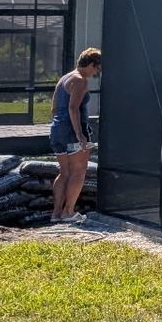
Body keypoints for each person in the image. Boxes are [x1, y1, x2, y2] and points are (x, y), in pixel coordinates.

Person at [50, 48, 102, 221]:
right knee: (79, 171)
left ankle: (56, 213)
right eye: (96, 69)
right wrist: (79, 134)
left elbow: (54, 108)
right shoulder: (80, 81)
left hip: (57, 130)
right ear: (92, 64)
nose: (95, 73)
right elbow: (73, 108)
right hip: (72, 131)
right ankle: (69, 212)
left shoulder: (64, 78)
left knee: (64, 172)